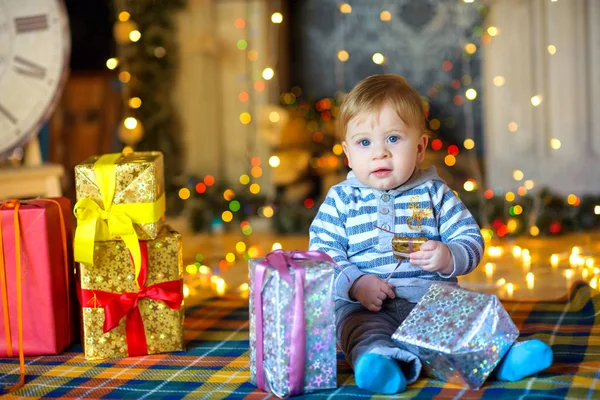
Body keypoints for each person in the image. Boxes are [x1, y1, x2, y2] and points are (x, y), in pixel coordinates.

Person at [308, 74, 553, 394]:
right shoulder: (341, 200)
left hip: (432, 305)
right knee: (359, 332)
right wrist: (355, 282)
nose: (380, 153)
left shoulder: (434, 193)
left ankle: (503, 357)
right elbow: (322, 253)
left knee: (465, 320)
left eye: (393, 139)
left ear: (420, 147)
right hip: (367, 308)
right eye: (365, 143)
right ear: (348, 154)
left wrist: (449, 254)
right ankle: (378, 365)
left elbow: (470, 238)